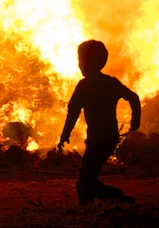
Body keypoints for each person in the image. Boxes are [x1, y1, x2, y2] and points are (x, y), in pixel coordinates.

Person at [58, 40, 141, 205]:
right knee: (85, 177)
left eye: (81, 59)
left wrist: (65, 134)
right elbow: (133, 98)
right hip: (108, 138)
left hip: (99, 139)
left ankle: (118, 199)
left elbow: (73, 112)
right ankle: (85, 207)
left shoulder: (84, 86)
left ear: (91, 62)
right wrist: (135, 121)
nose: (79, 64)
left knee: (86, 178)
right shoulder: (110, 83)